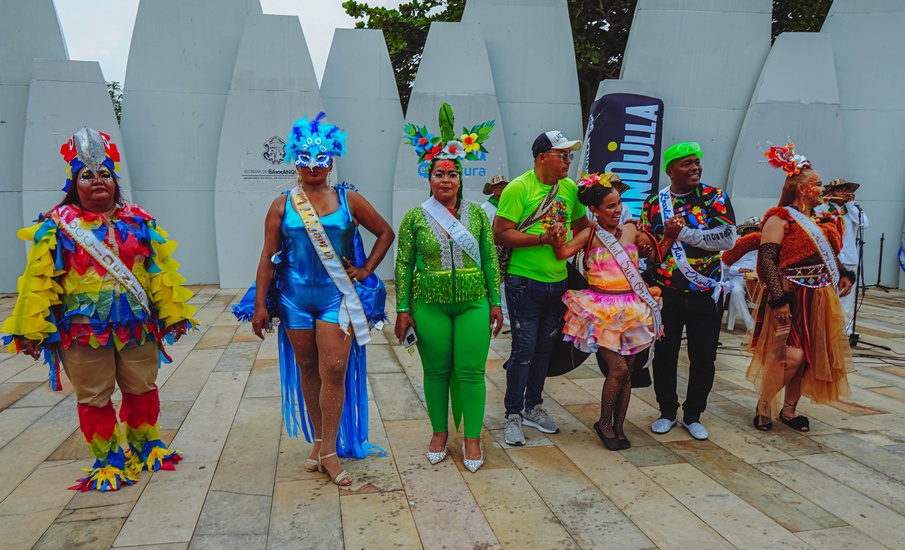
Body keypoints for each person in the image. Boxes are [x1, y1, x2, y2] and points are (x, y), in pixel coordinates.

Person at [1, 128, 197, 492]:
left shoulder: (139, 221)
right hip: (82, 331)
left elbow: (160, 271)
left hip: (136, 325)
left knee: (142, 387)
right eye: (87, 176)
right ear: (74, 185)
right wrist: (28, 328)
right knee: (93, 396)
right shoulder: (56, 227)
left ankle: (146, 445)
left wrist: (173, 312)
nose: (97, 181)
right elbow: (37, 280)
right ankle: (107, 460)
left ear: (115, 181)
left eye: (104, 174)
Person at [249, 113, 394, 487]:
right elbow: (267, 256)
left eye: (321, 158)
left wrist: (365, 270)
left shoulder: (349, 199)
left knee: (334, 369)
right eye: (305, 158)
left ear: (332, 160)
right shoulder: (281, 204)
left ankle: (329, 450)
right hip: (295, 300)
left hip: (336, 298)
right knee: (308, 369)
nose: (313, 165)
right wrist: (260, 305)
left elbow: (385, 232)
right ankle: (319, 440)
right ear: (294, 160)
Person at [395, 103, 503, 473]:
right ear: (429, 179)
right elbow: (403, 264)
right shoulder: (415, 217)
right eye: (439, 174)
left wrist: (495, 301)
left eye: (452, 174)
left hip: (473, 302)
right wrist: (403, 309)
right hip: (430, 305)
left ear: (460, 179)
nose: (445, 180)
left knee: (471, 371)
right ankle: (439, 432)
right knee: (436, 372)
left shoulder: (477, 215)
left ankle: (472, 437)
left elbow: (489, 258)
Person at [731, 143, 854, 431]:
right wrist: (779, 299)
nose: (822, 189)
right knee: (789, 355)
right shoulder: (779, 218)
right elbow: (768, 260)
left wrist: (843, 273)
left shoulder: (818, 220)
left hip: (819, 296)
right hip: (790, 294)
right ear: (801, 188)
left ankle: (789, 410)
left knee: (808, 357)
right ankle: (765, 403)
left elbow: (826, 254)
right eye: (818, 184)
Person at [493, 130, 592, 446]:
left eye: (569, 155)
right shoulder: (519, 188)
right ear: (541, 158)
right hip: (524, 282)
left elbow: (584, 228)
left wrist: (573, 249)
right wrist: (542, 239)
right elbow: (500, 233)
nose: (568, 161)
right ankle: (512, 415)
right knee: (523, 351)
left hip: (558, 282)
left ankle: (533, 407)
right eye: (562, 155)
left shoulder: (569, 189)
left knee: (544, 350)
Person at [554, 173, 665, 450]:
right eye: (610, 206)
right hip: (601, 309)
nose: (617, 210)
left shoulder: (631, 230)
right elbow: (562, 253)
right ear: (594, 209)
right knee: (617, 368)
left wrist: (655, 243)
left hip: (632, 308)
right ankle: (604, 423)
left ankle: (619, 426)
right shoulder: (589, 234)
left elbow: (655, 253)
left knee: (628, 371)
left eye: (619, 204)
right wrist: (555, 237)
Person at [641, 141, 736, 441]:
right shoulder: (653, 203)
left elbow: (726, 238)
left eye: (697, 162)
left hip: (705, 293)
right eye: (687, 164)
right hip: (667, 292)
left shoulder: (714, 197)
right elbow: (649, 248)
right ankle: (667, 411)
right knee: (664, 355)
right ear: (670, 171)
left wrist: (682, 232)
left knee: (703, 357)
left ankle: (693, 415)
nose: (695, 167)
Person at [817, 178, 867, 336]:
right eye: (840, 190)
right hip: (830, 258)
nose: (844, 193)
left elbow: (864, 224)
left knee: (847, 295)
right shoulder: (824, 208)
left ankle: (845, 331)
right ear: (831, 192)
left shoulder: (852, 210)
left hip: (849, 257)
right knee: (827, 294)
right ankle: (825, 329)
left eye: (846, 190)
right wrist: (824, 205)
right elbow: (816, 224)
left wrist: (851, 205)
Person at [721, 216, 761, 332]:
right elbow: (722, 264)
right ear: (746, 230)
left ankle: (765, 325)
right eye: (754, 229)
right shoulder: (734, 244)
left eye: (759, 229)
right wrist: (739, 270)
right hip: (737, 277)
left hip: (757, 278)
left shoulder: (763, 245)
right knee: (737, 292)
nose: (758, 232)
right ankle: (751, 326)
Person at [481, 174, 510, 326]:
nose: (502, 188)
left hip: (506, 247)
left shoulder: (508, 204)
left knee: (504, 280)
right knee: (497, 280)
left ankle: (504, 311)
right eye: (499, 186)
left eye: (504, 185)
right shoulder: (486, 208)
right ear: (493, 189)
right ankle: (500, 311)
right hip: (492, 248)